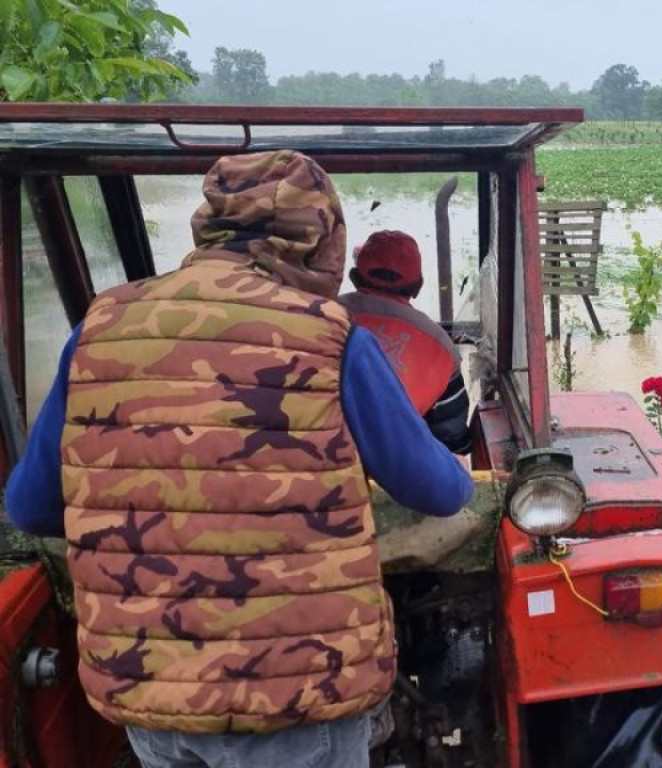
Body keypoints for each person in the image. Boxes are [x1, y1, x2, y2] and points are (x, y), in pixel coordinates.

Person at [3, 150, 473, 767]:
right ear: (321, 243)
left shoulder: (98, 326)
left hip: (151, 692)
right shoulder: (329, 336)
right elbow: (438, 491)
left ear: (209, 226)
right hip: (297, 698)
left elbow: (30, 507)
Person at [339, 230, 471, 454]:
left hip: (320, 461)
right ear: (418, 286)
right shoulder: (441, 346)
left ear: (354, 277)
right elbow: (453, 440)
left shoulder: (320, 319)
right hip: (399, 472)